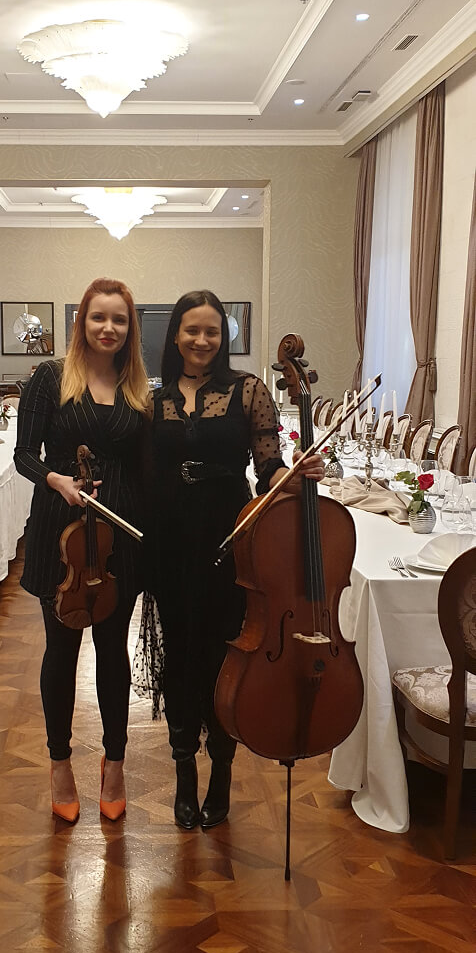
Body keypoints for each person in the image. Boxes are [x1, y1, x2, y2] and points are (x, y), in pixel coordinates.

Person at [143, 290, 324, 830]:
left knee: (227, 655)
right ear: (175, 335)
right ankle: (183, 775)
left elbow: (267, 466)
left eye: (213, 332)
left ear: (225, 337)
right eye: (192, 330)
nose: (202, 340)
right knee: (180, 655)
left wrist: (293, 475)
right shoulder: (153, 401)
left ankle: (221, 772)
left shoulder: (249, 391)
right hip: (172, 542)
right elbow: (147, 476)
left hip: (232, 540)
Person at [14, 278, 148, 823]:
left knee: (114, 652)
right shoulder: (51, 378)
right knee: (61, 653)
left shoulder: (137, 384)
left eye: (119, 319)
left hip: (120, 536)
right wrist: (55, 478)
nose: (108, 328)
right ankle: (60, 763)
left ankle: (114, 763)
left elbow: (145, 465)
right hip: (61, 534)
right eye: (98, 318)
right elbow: (23, 455)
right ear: (82, 322)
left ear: (129, 327)